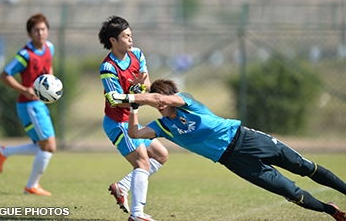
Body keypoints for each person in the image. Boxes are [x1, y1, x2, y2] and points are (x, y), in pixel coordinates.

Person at [105, 79, 346, 221]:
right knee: (290, 191)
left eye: (160, 100)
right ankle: (331, 211)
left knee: (304, 167)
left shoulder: (187, 102)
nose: (157, 105)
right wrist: (134, 106)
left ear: (170, 96)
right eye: (155, 103)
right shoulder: (162, 127)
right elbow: (135, 133)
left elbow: (162, 97)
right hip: (233, 160)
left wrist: (131, 95)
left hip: (248, 139)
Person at [98, 16, 168, 221]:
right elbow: (117, 101)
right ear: (113, 40)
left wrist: (139, 90)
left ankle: (123, 186)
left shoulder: (136, 54)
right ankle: (137, 215)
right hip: (118, 123)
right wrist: (144, 98)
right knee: (143, 164)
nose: (131, 39)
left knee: (161, 155)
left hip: (131, 119)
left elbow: (144, 85)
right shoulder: (108, 68)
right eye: (126, 36)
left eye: (131, 35)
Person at [0, 13, 56, 196]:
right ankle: (31, 186)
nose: (41, 33)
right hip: (29, 106)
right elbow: (4, 75)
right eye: (36, 30)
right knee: (49, 146)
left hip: (39, 104)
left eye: (43, 29)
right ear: (29, 33)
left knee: (42, 146)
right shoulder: (25, 55)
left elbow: (48, 68)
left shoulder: (49, 48)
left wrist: (51, 87)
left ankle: (4, 151)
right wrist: (23, 89)